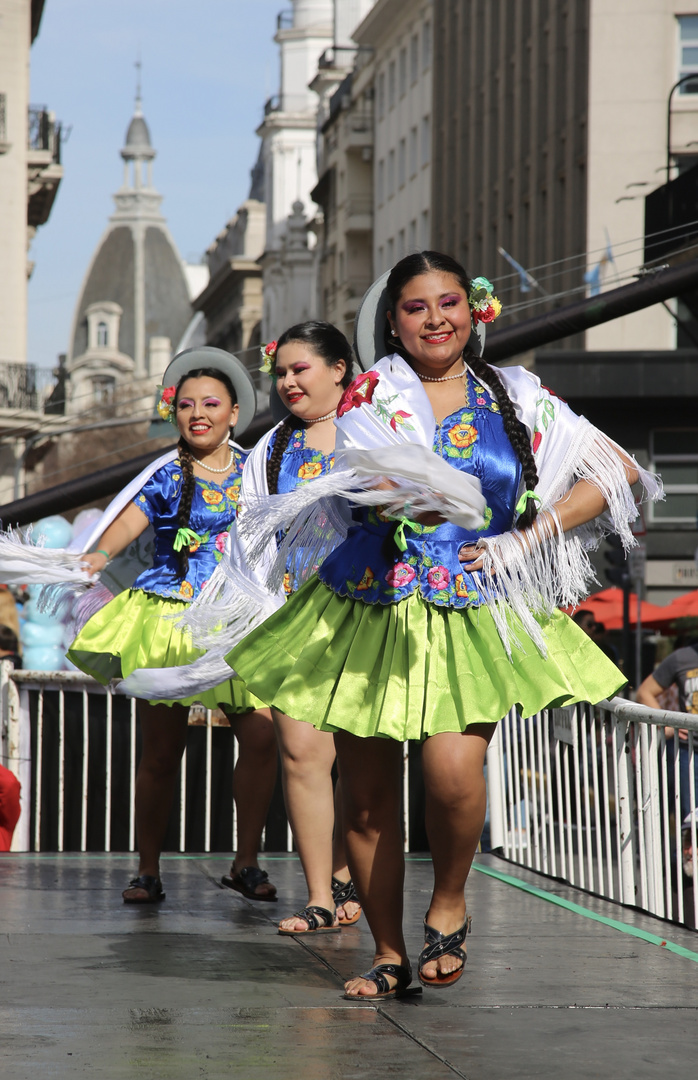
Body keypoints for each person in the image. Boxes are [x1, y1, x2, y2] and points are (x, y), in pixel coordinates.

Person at [223, 251, 660, 999]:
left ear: (474, 310)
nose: (435, 319)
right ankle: (388, 951)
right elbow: (352, 482)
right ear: (393, 321)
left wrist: (528, 537)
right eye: (416, 307)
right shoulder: (365, 394)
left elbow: (615, 467)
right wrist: (398, 495)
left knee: (453, 775)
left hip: (469, 604)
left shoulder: (517, 395)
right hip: (367, 601)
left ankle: (450, 900)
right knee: (364, 796)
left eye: (448, 302)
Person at [67, 347, 278, 904]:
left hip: (238, 621)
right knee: (161, 752)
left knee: (261, 740)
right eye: (186, 405)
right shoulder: (163, 475)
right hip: (171, 620)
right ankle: (148, 868)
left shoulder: (260, 469)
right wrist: (82, 563)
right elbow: (109, 543)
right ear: (175, 413)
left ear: (234, 411)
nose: (198, 413)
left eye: (211, 403)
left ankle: (246, 861)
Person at [244, 321, 361, 933]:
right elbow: (249, 532)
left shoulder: (375, 422)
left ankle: (348, 873)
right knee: (302, 755)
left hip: (369, 611)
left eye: (301, 369)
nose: (288, 382)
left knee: (361, 759)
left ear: (339, 368)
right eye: (282, 372)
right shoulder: (271, 448)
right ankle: (319, 894)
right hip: (292, 613)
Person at [636, 639, 698, 822]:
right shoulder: (682, 658)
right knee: (691, 819)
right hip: (690, 751)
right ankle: (686, 851)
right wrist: (667, 724)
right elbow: (644, 692)